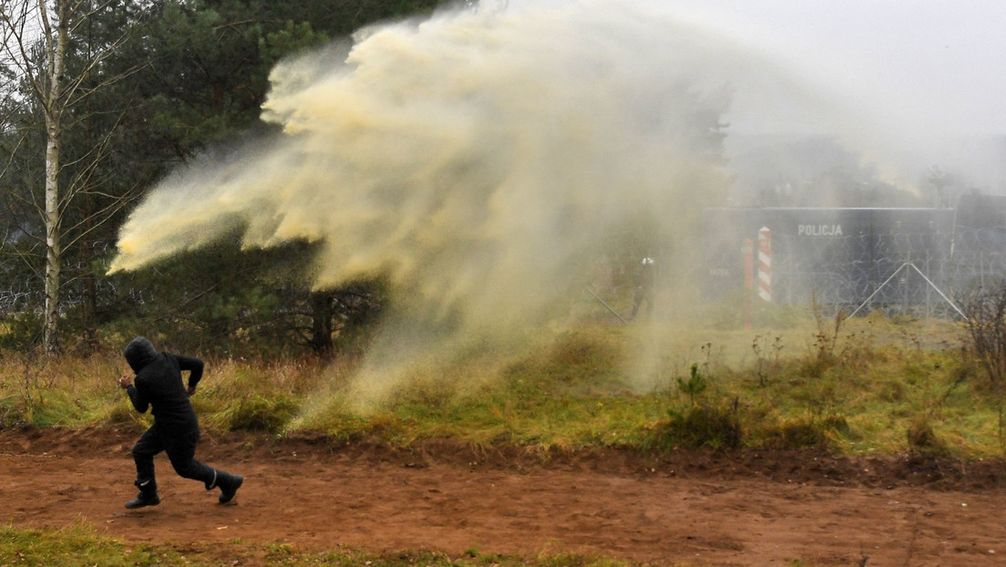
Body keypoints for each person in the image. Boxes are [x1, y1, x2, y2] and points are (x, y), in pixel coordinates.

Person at [117, 336, 243, 509]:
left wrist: (129, 387)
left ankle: (228, 481)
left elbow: (140, 407)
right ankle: (148, 494)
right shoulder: (168, 358)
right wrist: (192, 386)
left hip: (175, 427)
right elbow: (198, 364)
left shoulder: (143, 378)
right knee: (141, 450)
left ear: (135, 360)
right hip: (177, 422)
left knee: (185, 468)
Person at [629, 256, 656, 320]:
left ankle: (648, 315)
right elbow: (636, 280)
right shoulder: (640, 271)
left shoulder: (650, 272)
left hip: (648, 289)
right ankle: (633, 316)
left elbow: (652, 281)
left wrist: (651, 287)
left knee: (650, 303)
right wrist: (639, 286)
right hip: (641, 289)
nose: (650, 266)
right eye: (649, 265)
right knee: (637, 303)